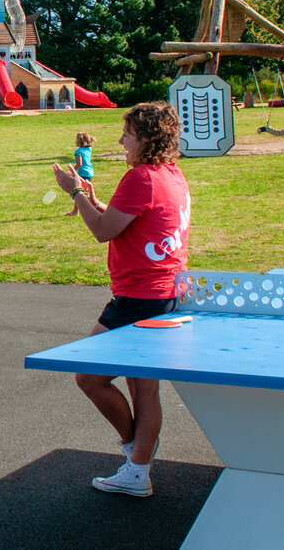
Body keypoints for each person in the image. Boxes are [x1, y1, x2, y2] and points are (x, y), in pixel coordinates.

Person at [51, 102, 191, 498]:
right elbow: (123, 222)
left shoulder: (140, 177)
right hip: (163, 295)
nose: (120, 140)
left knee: (90, 378)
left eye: (126, 134)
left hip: (138, 300)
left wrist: (75, 191)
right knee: (143, 389)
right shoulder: (172, 175)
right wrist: (95, 200)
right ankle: (138, 464)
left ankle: (135, 455)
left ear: (145, 139)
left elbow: (102, 231)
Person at [63, 132, 95, 216]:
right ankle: (90, 209)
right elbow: (90, 144)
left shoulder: (78, 151)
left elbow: (79, 164)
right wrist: (92, 140)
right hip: (90, 172)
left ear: (79, 141)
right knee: (85, 191)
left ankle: (75, 212)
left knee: (78, 193)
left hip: (83, 173)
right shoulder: (88, 148)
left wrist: (71, 171)